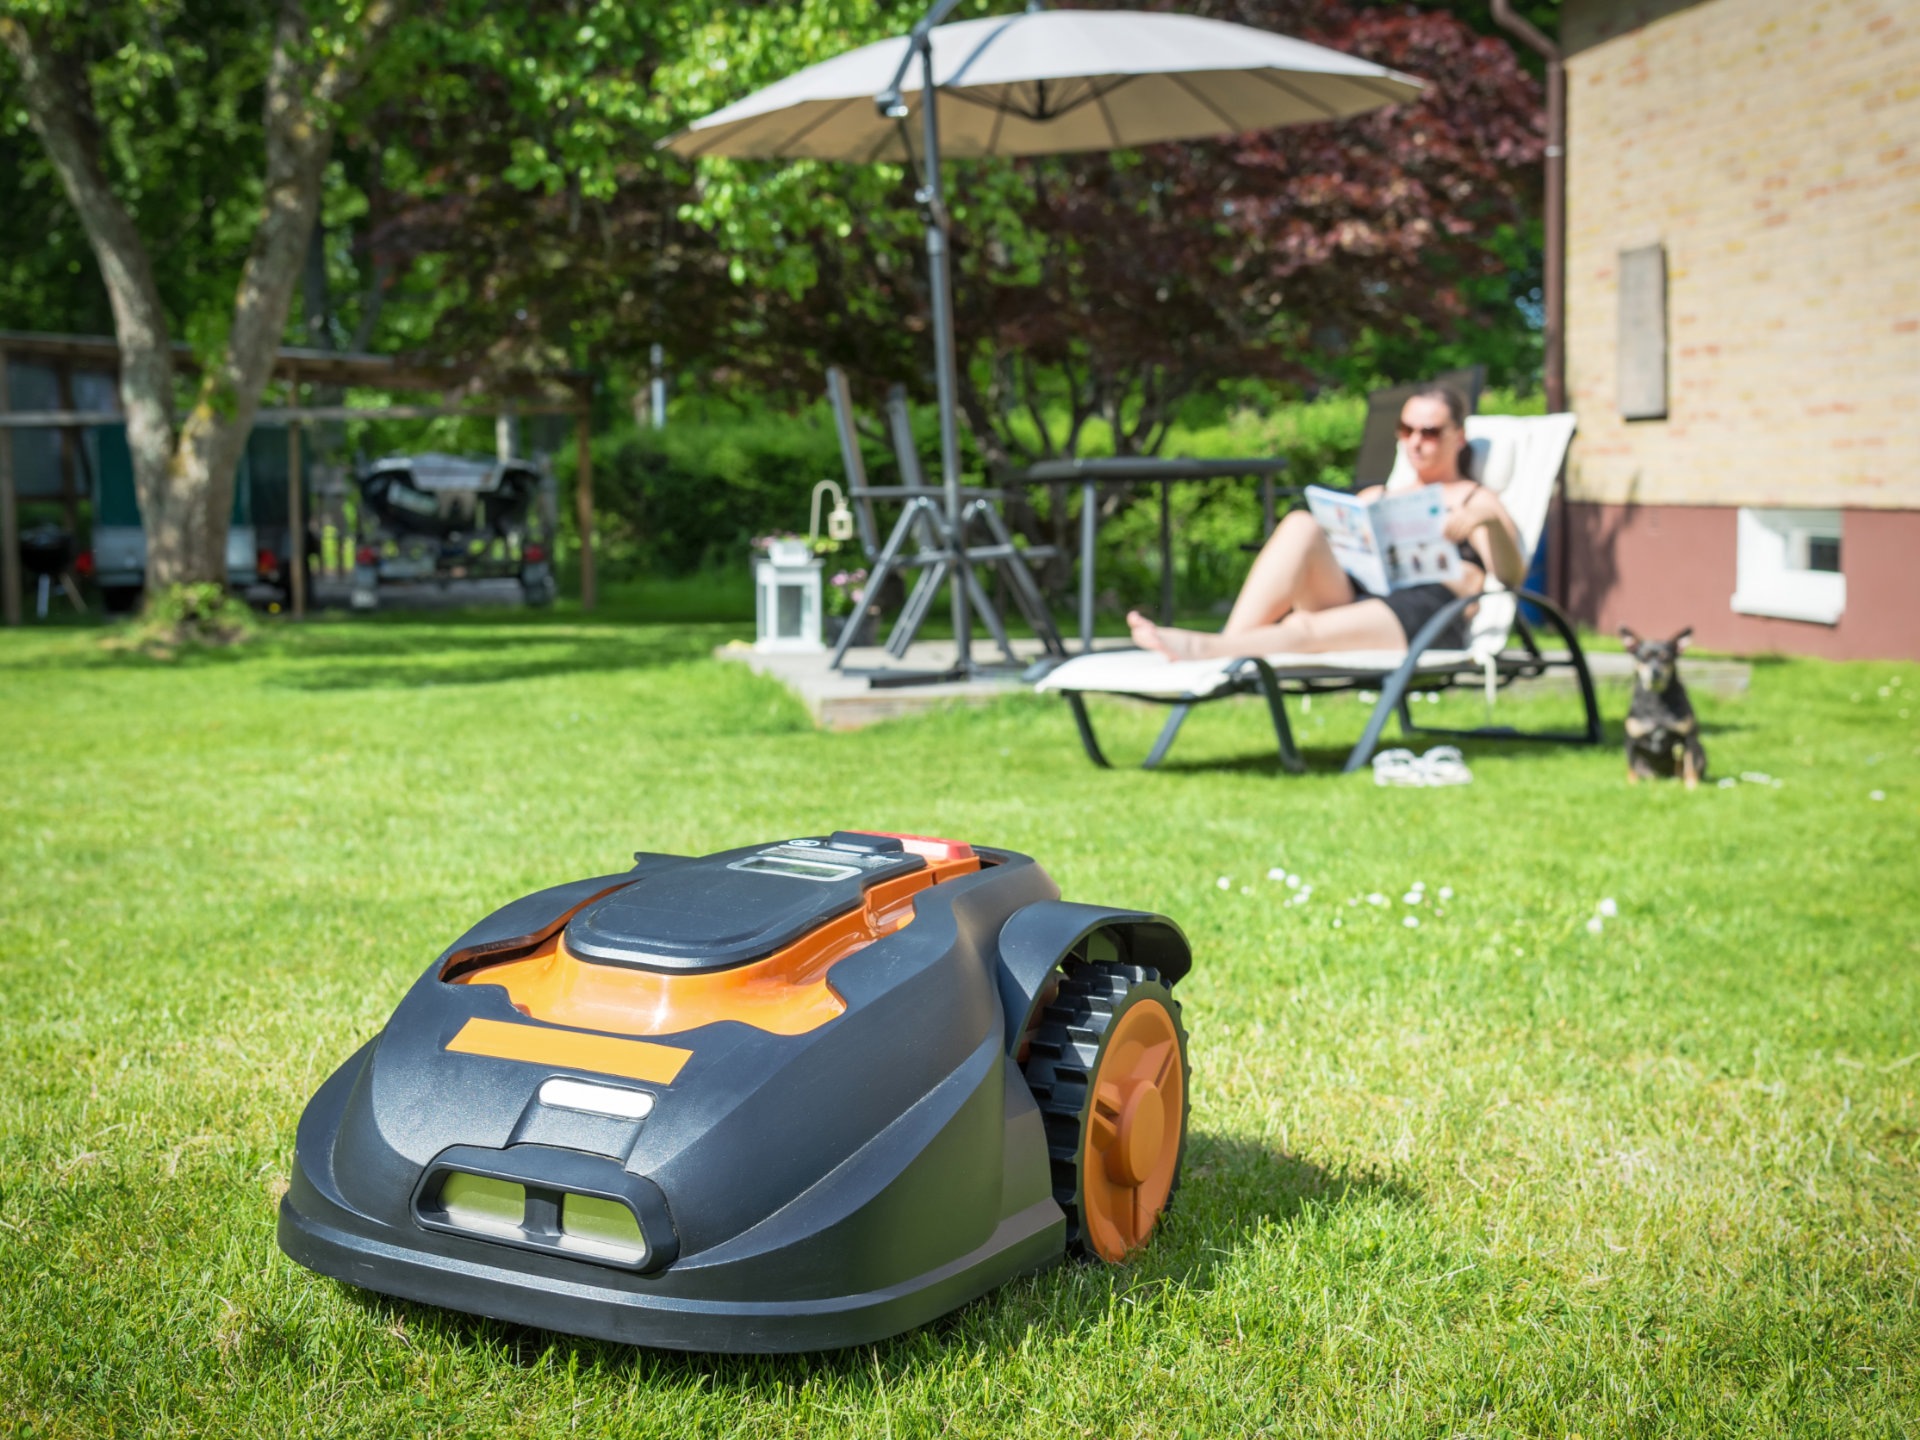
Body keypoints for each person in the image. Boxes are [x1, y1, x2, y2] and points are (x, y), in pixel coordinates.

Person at [1128, 385, 1526, 661]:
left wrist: (1486, 523)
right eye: (1406, 430)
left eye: (1431, 432)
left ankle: (1209, 651)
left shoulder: (1475, 500)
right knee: (1301, 523)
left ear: (1458, 436)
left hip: (1424, 610)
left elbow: (1509, 576)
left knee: (1305, 630)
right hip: (1361, 592)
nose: (1415, 442)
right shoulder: (1378, 497)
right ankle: (1228, 645)